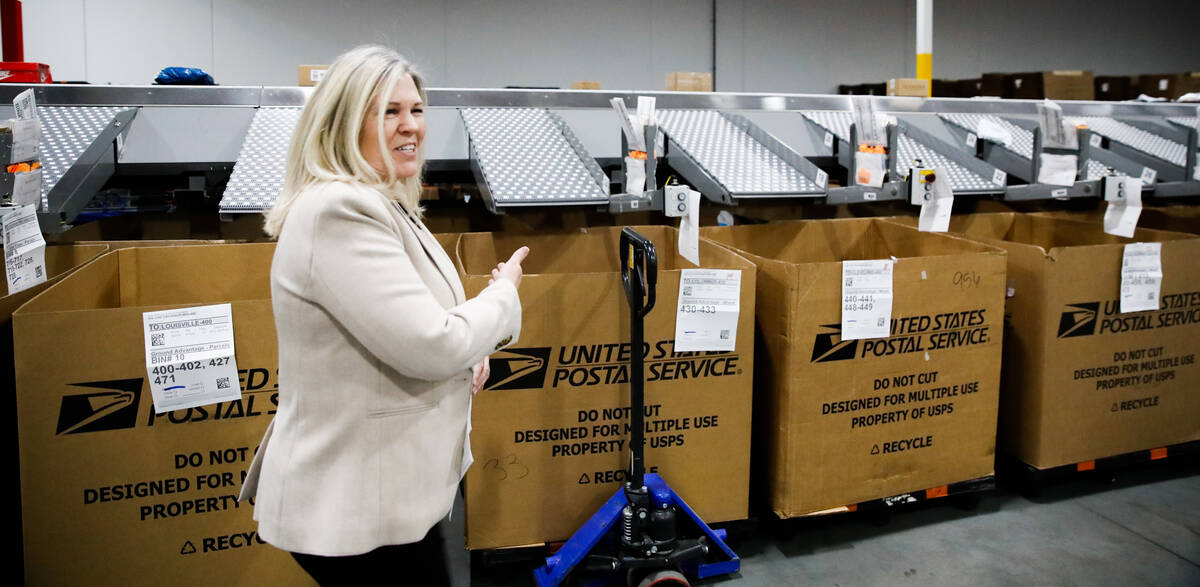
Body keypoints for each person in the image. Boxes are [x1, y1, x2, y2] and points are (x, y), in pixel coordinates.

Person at [239, 45, 528, 585]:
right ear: (346, 122)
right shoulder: (340, 211)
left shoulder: (387, 203)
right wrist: (504, 297)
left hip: (391, 493)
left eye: (416, 110)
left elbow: (420, 325)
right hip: (354, 502)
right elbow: (432, 343)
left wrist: (472, 351)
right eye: (389, 112)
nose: (410, 126)